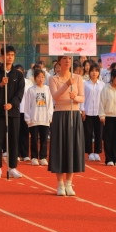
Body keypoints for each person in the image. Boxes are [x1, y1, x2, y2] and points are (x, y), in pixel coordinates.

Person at [49, 56, 85, 196]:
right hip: (59, 115)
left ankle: (69, 183)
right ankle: (60, 184)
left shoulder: (78, 78)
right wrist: (66, 85)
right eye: (64, 59)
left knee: (71, 148)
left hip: (74, 115)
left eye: (69, 59)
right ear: (59, 62)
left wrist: (75, 98)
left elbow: (82, 97)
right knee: (59, 149)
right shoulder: (54, 79)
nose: (67, 61)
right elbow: (55, 96)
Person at [0, 46, 25, 179]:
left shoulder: (18, 75)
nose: (10, 57)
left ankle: (12, 167)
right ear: (2, 56)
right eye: (8, 55)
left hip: (13, 112)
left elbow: (20, 93)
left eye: (12, 55)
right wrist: (0, 85)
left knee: (13, 140)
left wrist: (12, 104)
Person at [24, 69, 53, 166]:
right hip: (34, 118)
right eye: (38, 77)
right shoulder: (31, 90)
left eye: (42, 77)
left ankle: (43, 157)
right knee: (34, 139)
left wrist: (50, 116)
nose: (41, 79)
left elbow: (50, 104)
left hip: (44, 119)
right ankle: (34, 157)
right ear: (35, 78)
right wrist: (27, 117)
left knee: (44, 139)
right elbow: (27, 105)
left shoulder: (48, 89)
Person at [80, 64, 105, 162]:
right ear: (89, 72)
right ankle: (89, 152)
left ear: (99, 73)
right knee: (88, 133)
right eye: (92, 71)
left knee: (99, 133)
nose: (94, 73)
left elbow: (103, 99)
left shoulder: (102, 85)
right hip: (88, 111)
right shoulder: (85, 84)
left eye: (96, 71)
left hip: (99, 112)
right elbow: (83, 98)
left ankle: (97, 152)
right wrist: (82, 110)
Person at [16, 64, 33, 162]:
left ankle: (25, 154)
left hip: (26, 111)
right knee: (16, 133)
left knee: (25, 133)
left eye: (20, 71)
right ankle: (17, 153)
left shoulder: (28, 82)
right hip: (16, 110)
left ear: (23, 72)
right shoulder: (13, 81)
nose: (19, 73)